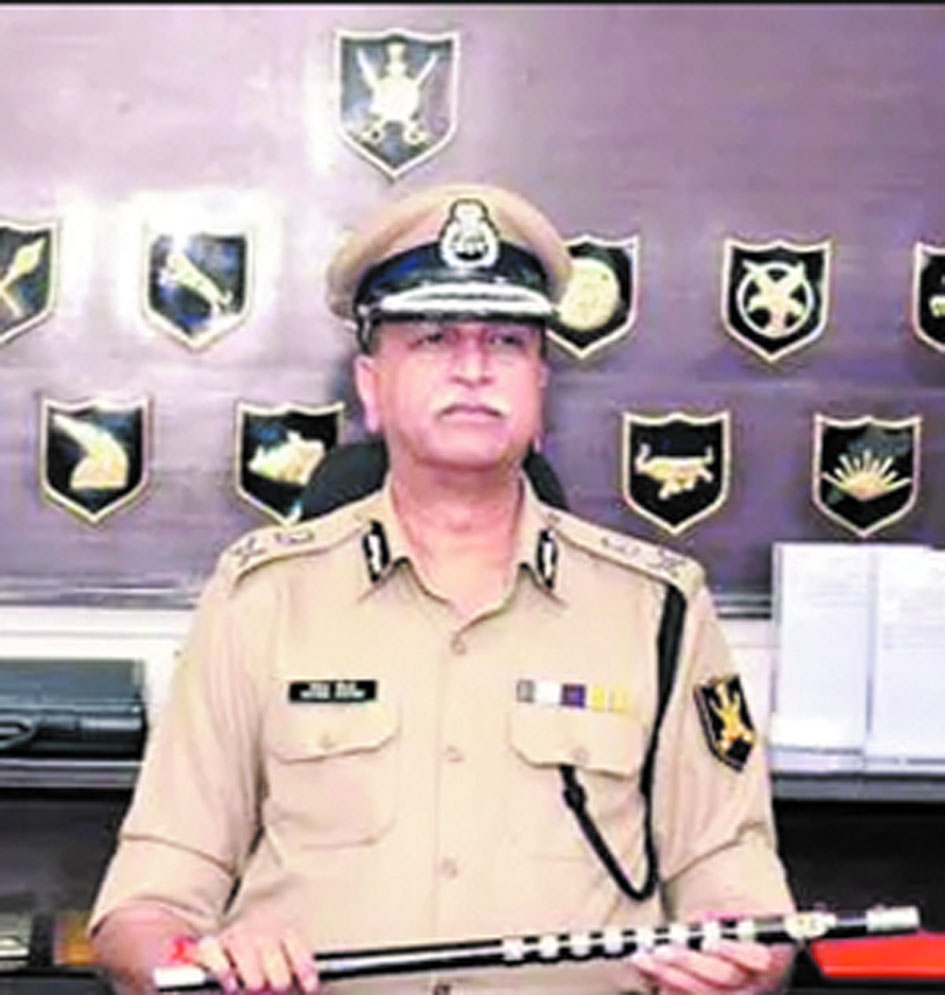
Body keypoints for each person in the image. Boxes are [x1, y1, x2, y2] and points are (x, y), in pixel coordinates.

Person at [89, 182, 797, 995]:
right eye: (431, 339)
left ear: (540, 385)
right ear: (370, 385)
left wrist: (739, 959)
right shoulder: (260, 596)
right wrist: (196, 958)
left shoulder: (658, 608)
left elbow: (733, 876)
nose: (472, 368)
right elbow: (151, 895)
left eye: (505, 342)